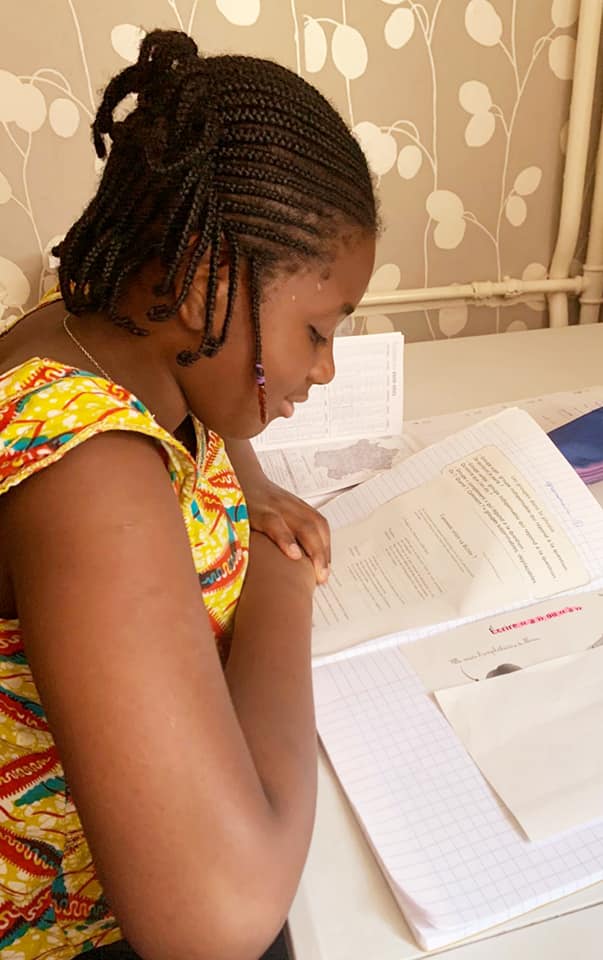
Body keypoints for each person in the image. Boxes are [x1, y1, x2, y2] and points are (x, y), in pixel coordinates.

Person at [0, 29, 377, 960]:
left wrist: (250, 485)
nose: (325, 369)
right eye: (317, 330)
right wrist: (279, 583)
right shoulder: (87, 473)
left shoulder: (104, 327)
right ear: (208, 280)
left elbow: (204, 414)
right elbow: (217, 921)